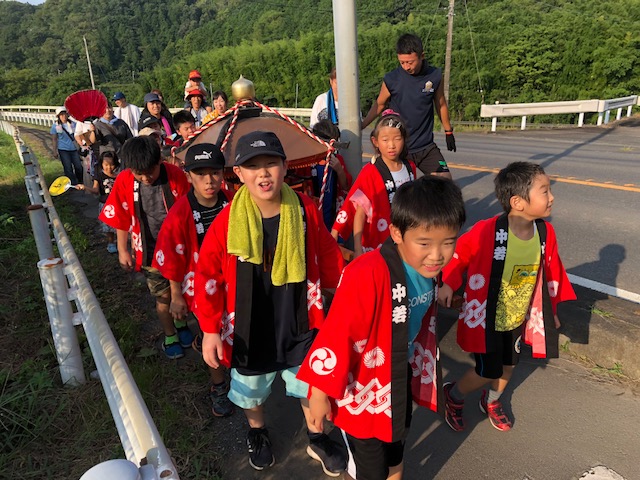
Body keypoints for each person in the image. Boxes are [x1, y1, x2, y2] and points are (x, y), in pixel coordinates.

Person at [193, 131, 347, 475]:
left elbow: (326, 252)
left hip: (297, 314)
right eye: (253, 166)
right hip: (250, 319)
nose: (263, 174)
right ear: (239, 174)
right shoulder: (228, 219)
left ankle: (317, 436)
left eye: (271, 164)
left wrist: (343, 297)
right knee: (252, 386)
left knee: (308, 376)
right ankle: (257, 432)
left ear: (284, 166)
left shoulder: (304, 209)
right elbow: (207, 276)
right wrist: (209, 329)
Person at [297, 176, 467, 480]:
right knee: (370, 468)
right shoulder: (367, 273)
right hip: (364, 385)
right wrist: (320, 392)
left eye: (448, 242)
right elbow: (337, 331)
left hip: (397, 376)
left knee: (396, 448)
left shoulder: (424, 269)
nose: (437, 255)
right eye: (425, 243)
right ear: (396, 233)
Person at [438, 161, 576, 432]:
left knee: (509, 366)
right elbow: (459, 254)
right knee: (488, 370)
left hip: (516, 317)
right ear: (518, 202)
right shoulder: (488, 230)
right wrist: (447, 283)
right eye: (544, 191)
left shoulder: (545, 233)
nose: (552, 197)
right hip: (487, 319)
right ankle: (453, 395)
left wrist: (552, 312)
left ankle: (492, 400)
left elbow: (552, 273)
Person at [152, 143, 235, 417]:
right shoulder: (180, 213)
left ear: (223, 174)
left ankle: (238, 368)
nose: (209, 180)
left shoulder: (234, 202)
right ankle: (219, 385)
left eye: (214, 173)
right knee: (214, 332)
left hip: (233, 280)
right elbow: (172, 258)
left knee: (234, 329)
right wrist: (176, 295)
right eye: (201, 174)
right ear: (188, 176)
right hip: (200, 285)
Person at [98, 136, 191, 359]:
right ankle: (170, 335)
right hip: (149, 248)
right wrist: (123, 249)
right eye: (138, 173)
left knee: (183, 291)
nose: (145, 178)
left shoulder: (175, 175)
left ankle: (181, 324)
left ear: (160, 161)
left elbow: (188, 209)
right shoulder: (124, 180)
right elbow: (121, 216)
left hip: (178, 247)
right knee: (163, 295)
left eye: (149, 171)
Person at [361, 33, 456, 180]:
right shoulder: (392, 79)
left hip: (426, 146)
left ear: (421, 56)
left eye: (410, 62)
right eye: (402, 62)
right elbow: (379, 105)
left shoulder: (435, 76)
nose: (406, 67)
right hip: (400, 148)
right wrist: (361, 125)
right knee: (400, 190)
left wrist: (448, 131)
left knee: (444, 181)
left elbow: (441, 103)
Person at [332, 110, 416, 257]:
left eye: (397, 139)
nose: (391, 145)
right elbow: (360, 211)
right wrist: (358, 249)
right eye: (385, 140)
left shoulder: (410, 167)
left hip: (406, 236)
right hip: (380, 238)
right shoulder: (371, 172)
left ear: (404, 139)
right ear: (375, 141)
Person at [310, 120, 352, 231]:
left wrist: (339, 170)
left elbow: (345, 186)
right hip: (312, 209)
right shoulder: (308, 161)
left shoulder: (337, 160)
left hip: (333, 210)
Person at [76, 150, 121, 253]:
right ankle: (111, 243)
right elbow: (96, 190)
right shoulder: (99, 176)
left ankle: (120, 243)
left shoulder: (119, 176)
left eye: (111, 165)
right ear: (101, 164)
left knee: (119, 225)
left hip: (117, 204)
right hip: (105, 205)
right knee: (108, 227)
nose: (109, 167)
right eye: (106, 165)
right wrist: (85, 187)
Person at [50, 107, 84, 185]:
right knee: (68, 168)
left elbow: (79, 134)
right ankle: (71, 184)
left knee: (78, 166)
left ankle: (80, 181)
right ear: (58, 116)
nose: (63, 116)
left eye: (64, 114)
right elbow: (54, 139)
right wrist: (54, 151)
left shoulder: (73, 124)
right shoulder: (55, 126)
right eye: (61, 115)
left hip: (74, 149)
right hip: (63, 149)